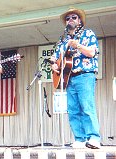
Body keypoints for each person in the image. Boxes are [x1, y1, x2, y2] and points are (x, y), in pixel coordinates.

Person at [51, 7, 101, 149]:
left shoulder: (88, 34)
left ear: (79, 20)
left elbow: (92, 52)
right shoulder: (62, 41)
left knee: (87, 106)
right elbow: (55, 58)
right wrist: (54, 65)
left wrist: (78, 45)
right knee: (73, 109)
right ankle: (80, 138)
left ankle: (93, 138)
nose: (70, 20)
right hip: (68, 78)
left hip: (84, 75)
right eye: (68, 18)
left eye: (74, 17)